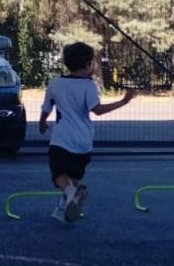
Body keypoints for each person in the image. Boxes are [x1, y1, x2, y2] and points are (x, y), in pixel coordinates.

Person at [38, 42, 135, 223]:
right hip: (84, 142)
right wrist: (124, 101)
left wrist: (42, 123)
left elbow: (46, 107)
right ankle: (62, 210)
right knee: (73, 177)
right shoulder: (89, 86)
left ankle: (70, 194)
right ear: (89, 64)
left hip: (61, 139)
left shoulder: (55, 84)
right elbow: (97, 109)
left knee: (59, 174)